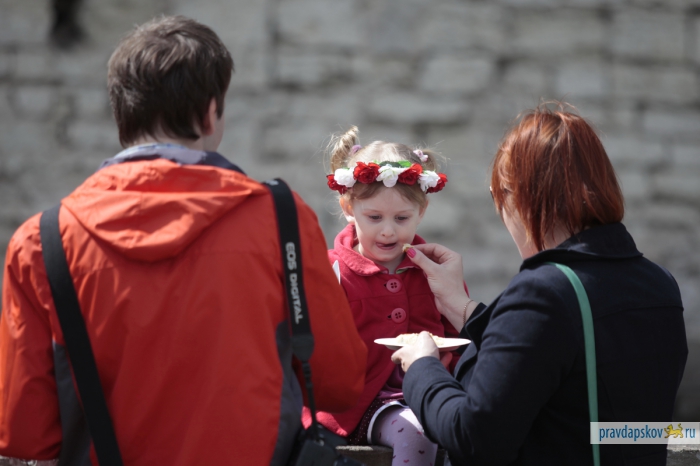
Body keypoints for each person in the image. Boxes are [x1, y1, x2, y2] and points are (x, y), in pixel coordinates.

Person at [0, 15, 367, 465]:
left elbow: (25, 434)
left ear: (121, 114)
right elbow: (339, 382)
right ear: (211, 111)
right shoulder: (280, 220)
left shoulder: (41, 242)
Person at [391, 103, 688, 465]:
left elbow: (473, 436)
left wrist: (422, 367)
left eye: (496, 194)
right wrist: (463, 310)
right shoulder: (661, 285)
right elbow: (624, 423)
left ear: (519, 195)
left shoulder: (545, 292)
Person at [307, 126, 459, 466]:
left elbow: (460, 336)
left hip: (433, 391)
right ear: (348, 207)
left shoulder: (436, 271)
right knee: (417, 432)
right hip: (363, 405)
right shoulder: (331, 272)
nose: (388, 230)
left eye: (402, 218)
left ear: (422, 211)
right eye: (374, 217)